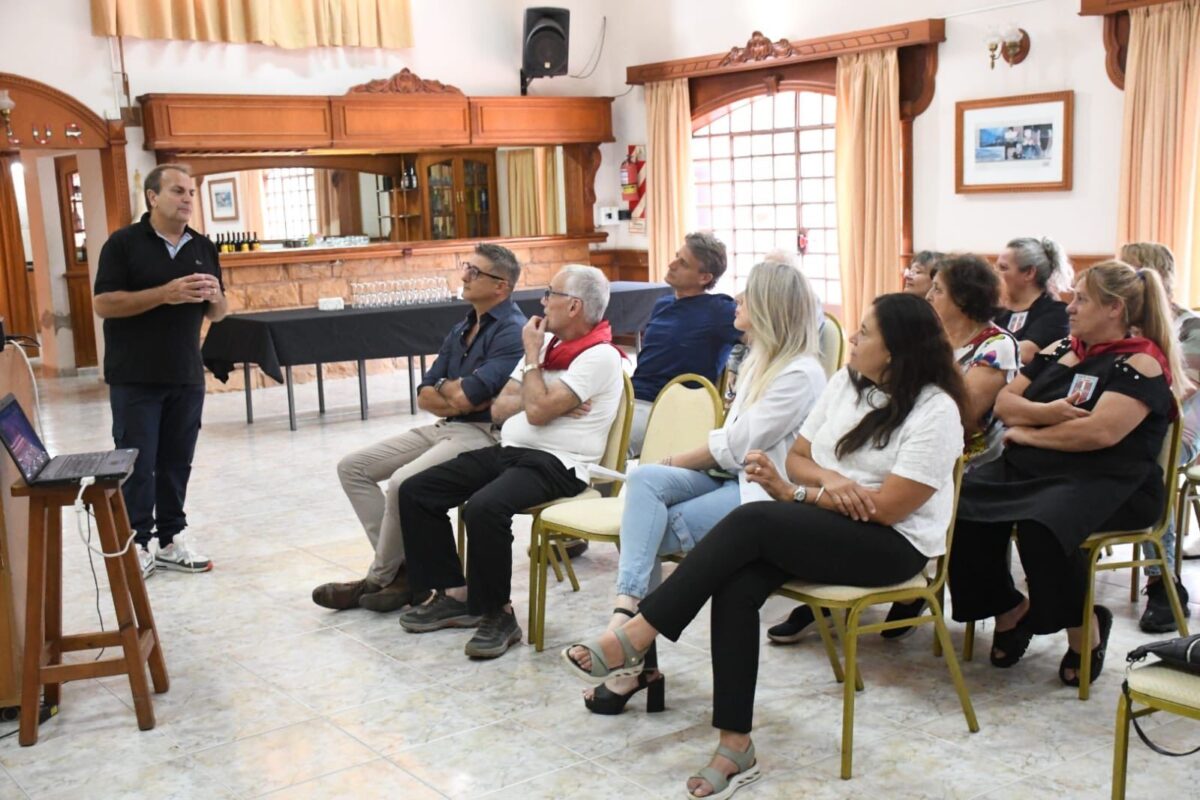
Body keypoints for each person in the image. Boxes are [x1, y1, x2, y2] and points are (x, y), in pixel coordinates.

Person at [561, 293, 964, 799]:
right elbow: (799, 455)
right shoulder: (847, 383)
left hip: (893, 544)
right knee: (737, 583)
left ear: (897, 350)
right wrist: (827, 484)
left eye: (865, 333)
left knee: (752, 520)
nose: (853, 339)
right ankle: (736, 745)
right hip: (828, 519)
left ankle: (636, 633)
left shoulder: (936, 409)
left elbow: (887, 509)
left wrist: (804, 493)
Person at [578, 261, 826, 714]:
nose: (737, 302)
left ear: (769, 308)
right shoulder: (759, 360)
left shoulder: (800, 374)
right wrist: (665, 464)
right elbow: (730, 443)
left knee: (649, 525)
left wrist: (674, 458)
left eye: (747, 297)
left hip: (763, 492)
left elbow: (738, 443)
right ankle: (625, 613)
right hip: (731, 475)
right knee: (642, 480)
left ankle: (631, 660)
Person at [948, 261, 1188, 686]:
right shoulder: (1060, 349)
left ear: (1114, 309)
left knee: (1044, 525)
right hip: (1033, 470)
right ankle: (1010, 610)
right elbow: (1005, 403)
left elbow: (1100, 432)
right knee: (961, 503)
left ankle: (1085, 633)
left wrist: (1031, 435)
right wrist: (1046, 413)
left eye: (1081, 299)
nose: (1069, 306)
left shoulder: (1142, 363)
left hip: (1112, 481)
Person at [395, 265, 624, 659]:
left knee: (485, 508)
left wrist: (534, 372)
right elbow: (501, 408)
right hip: (510, 452)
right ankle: (455, 594)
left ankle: (499, 615)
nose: (543, 301)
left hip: (559, 465)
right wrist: (547, 395)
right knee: (417, 489)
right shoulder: (549, 346)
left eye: (550, 293)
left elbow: (534, 413)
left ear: (573, 306)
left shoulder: (599, 356)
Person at [310, 245, 526, 612]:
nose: (463, 277)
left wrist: (451, 392)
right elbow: (425, 394)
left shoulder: (511, 331)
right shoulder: (463, 326)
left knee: (401, 482)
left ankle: (378, 578)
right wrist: (450, 392)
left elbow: (473, 396)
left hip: (481, 435)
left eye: (474, 272)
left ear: (500, 286)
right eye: (466, 268)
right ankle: (404, 572)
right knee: (353, 468)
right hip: (445, 426)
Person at [93, 164, 226, 579]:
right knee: (137, 461)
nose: (187, 199)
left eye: (190, 192)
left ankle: (171, 538)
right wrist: (163, 295)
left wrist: (218, 297)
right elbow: (104, 303)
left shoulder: (203, 246)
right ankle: (137, 542)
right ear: (152, 197)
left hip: (185, 374)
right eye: (177, 191)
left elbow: (218, 313)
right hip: (135, 376)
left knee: (175, 462)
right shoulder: (123, 244)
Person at [1120, 242, 1197, 631]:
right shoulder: (1118, 328)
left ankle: (1162, 583)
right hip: (1130, 422)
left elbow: (1181, 388)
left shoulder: (1191, 326)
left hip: (1184, 430)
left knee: (1151, 468)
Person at [628, 232, 741, 456]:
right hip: (633, 397)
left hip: (667, 408)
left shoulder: (719, 310)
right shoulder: (663, 304)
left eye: (683, 263)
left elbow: (761, 332)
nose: (671, 264)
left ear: (704, 278)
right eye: (676, 257)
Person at [994, 237, 1071, 364]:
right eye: (995, 267)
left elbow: (1024, 353)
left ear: (1029, 273)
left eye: (1003, 268)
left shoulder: (1056, 313)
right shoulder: (994, 309)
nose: (995, 274)